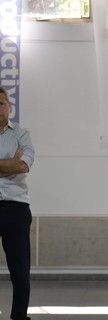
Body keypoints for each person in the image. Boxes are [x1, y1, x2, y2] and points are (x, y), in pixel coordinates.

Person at [0, 86, 35, 320]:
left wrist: (15, 163)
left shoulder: (22, 134)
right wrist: (7, 163)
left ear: (9, 106)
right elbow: (13, 165)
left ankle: (19, 317)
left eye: (2, 103)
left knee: (20, 272)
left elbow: (23, 166)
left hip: (16, 209)